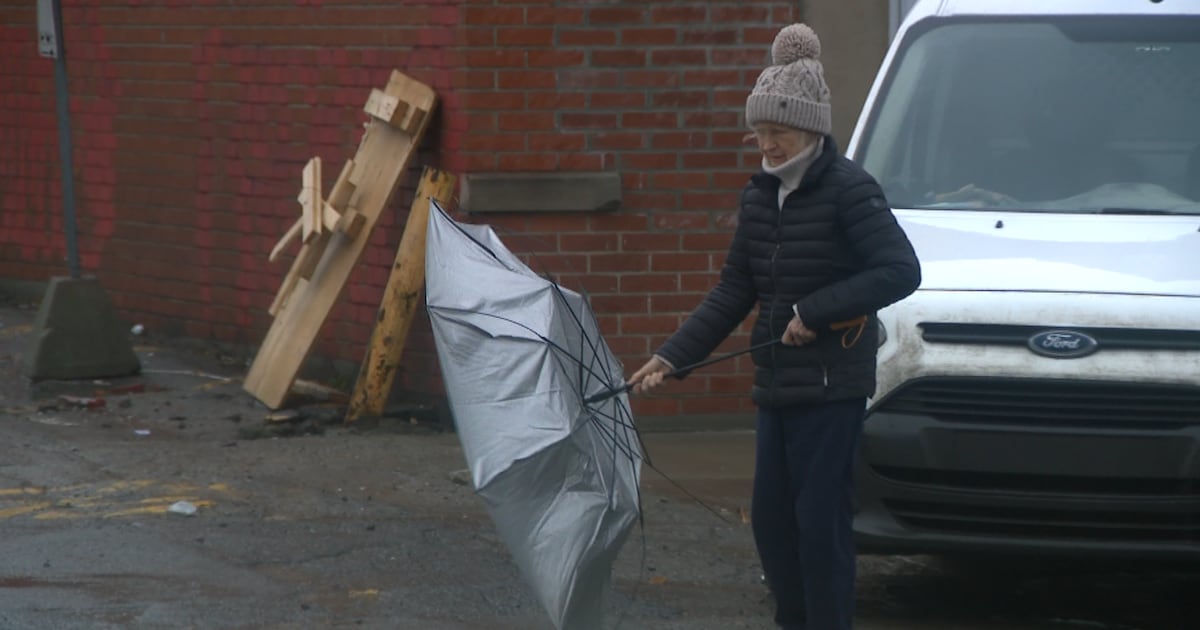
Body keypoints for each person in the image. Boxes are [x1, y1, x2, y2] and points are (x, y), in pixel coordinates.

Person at [627, 23, 921, 630]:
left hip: (832, 385)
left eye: (778, 132)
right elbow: (736, 288)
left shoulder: (850, 192)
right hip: (777, 385)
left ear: (812, 128)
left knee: (820, 522)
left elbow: (900, 270)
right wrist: (672, 357)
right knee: (772, 523)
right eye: (759, 132)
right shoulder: (760, 196)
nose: (766, 145)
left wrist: (816, 310)